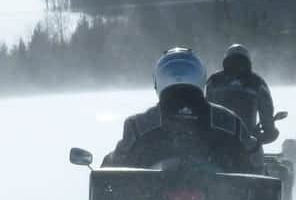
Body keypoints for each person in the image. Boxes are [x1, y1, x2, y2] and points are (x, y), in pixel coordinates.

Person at [104, 48, 258, 172]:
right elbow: (253, 157)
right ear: (201, 79)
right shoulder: (229, 121)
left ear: (158, 82)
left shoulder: (138, 125)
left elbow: (117, 161)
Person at [205, 44, 280, 148]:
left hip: (218, 140)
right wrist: (269, 131)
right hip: (247, 142)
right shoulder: (257, 82)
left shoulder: (214, 81)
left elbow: (205, 107)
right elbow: (266, 112)